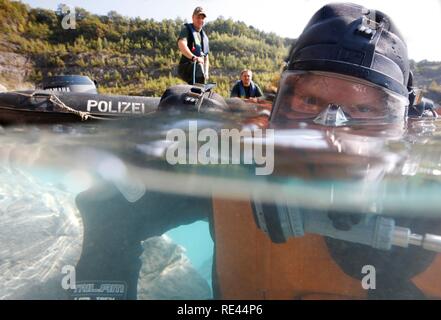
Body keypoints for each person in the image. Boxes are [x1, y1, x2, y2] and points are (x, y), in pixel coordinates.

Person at [72, 3, 441, 300]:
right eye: (310, 100)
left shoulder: (430, 214)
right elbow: (110, 210)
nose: (331, 135)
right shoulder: (236, 166)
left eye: (364, 111)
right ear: (277, 104)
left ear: (404, 128)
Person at [177, 7, 210, 85]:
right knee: (198, 67)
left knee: (201, 70)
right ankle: (197, 91)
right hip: (186, 66)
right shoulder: (186, 30)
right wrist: (193, 57)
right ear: (193, 17)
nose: (200, 20)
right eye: (198, 17)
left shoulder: (204, 37)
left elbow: (206, 57)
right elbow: (181, 44)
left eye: (202, 18)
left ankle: (199, 90)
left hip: (199, 68)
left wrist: (206, 72)